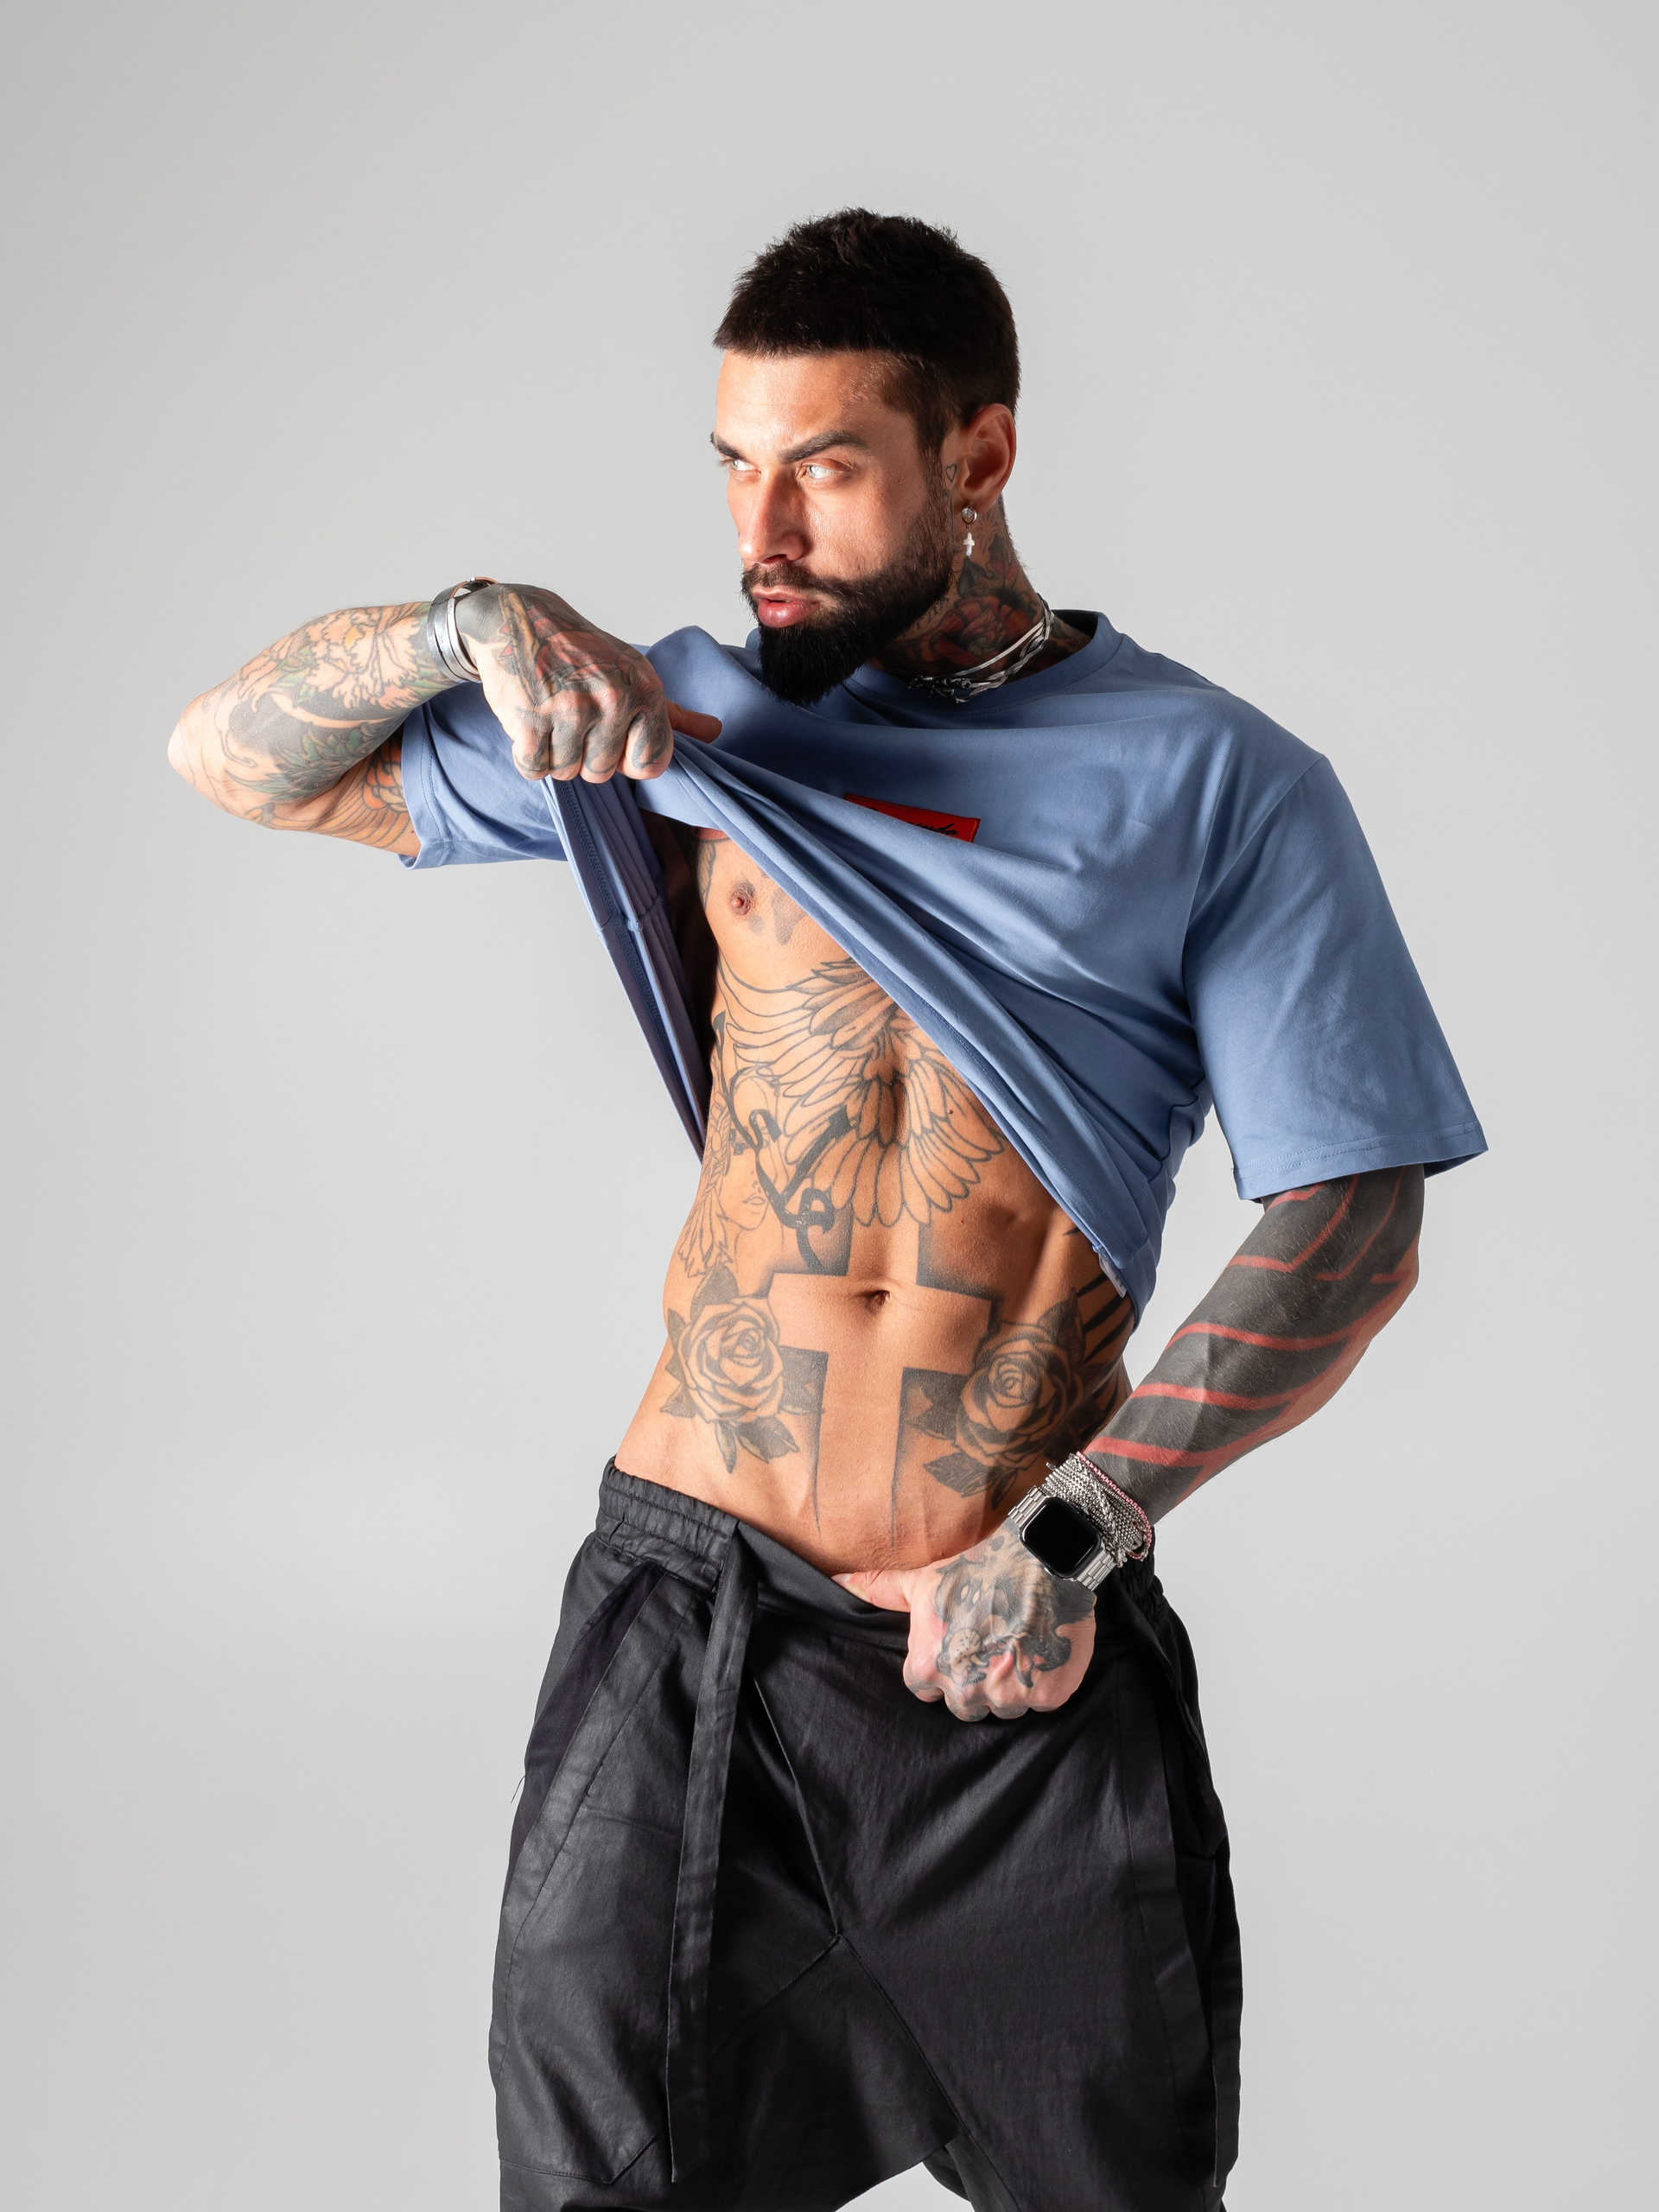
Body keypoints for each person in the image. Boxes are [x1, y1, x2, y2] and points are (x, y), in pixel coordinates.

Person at [168, 211, 1484, 2212]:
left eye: (828, 468)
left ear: (981, 457)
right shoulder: (683, 716)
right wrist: (463, 623)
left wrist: (1082, 1527)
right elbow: (235, 761)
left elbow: (1356, 1213)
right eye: (735, 466)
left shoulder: (1217, 782)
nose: (760, 529)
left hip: (1011, 1640)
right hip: (689, 1619)